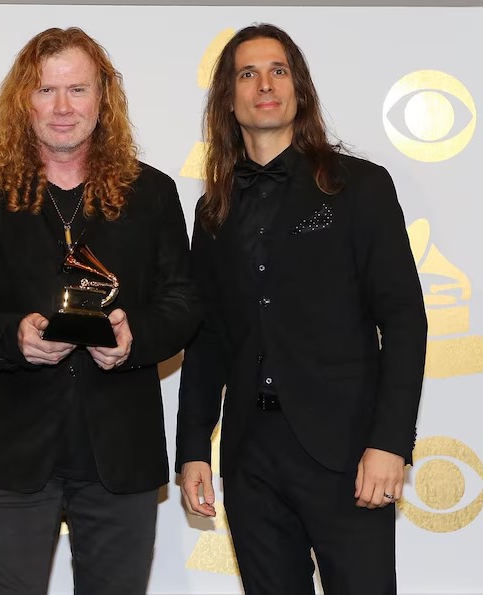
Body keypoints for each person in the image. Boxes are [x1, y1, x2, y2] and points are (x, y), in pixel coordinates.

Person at [0, 27, 199, 594]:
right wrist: (12, 336)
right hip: (12, 454)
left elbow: (183, 304)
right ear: (22, 101)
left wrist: (133, 338)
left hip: (121, 454)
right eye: (46, 90)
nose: (61, 107)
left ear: (103, 99)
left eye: (77, 90)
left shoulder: (151, 193)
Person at [175, 23, 427, 595]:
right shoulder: (213, 210)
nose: (264, 84)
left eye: (278, 71)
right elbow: (207, 339)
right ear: (228, 98)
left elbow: (404, 320)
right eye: (247, 73)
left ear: (299, 89)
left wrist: (390, 442)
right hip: (250, 456)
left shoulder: (359, 186)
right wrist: (192, 449)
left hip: (348, 451)